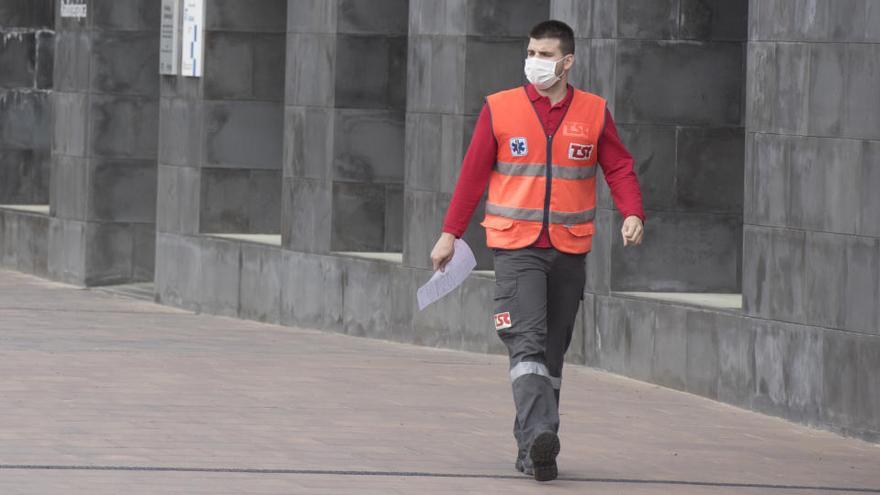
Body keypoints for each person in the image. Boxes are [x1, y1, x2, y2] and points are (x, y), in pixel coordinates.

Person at [429, 20, 646, 482]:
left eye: (545, 55)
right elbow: (472, 175)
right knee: (525, 343)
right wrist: (450, 233)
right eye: (531, 52)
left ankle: (533, 448)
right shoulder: (500, 108)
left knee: (551, 352)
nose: (535, 62)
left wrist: (632, 212)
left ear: (567, 62)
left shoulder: (593, 111)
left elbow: (620, 166)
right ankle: (544, 431)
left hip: (569, 250)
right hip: (515, 248)